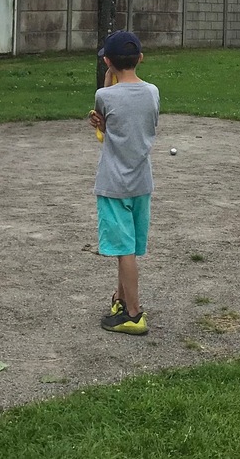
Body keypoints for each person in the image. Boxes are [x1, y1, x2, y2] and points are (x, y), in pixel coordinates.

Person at [87, 30, 160, 336]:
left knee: (123, 248)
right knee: (127, 247)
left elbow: (103, 132)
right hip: (141, 182)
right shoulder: (153, 91)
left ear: (108, 62)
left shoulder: (104, 95)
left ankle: (133, 313)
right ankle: (120, 299)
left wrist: (107, 84)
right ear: (140, 58)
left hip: (114, 183)